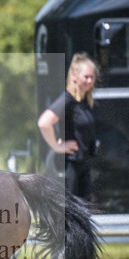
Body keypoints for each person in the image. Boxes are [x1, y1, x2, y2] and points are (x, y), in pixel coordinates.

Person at [38, 52, 98, 199]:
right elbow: (44, 122)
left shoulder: (85, 102)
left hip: (83, 165)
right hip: (69, 167)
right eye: (86, 77)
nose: (89, 81)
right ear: (74, 76)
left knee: (83, 214)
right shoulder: (68, 99)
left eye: (92, 77)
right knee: (69, 214)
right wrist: (56, 146)